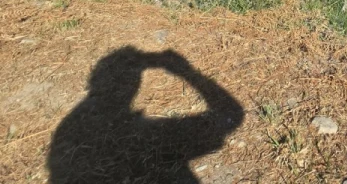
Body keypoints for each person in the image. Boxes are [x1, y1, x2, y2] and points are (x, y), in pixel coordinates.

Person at [48, 46, 244, 183]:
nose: (135, 84)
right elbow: (233, 116)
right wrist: (187, 72)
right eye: (134, 78)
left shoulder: (72, 129)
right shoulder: (98, 129)